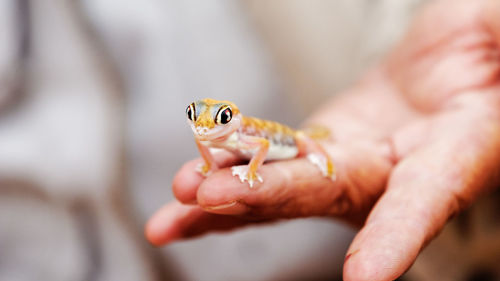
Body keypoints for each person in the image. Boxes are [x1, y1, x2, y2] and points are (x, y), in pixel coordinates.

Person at [146, 0, 500, 280]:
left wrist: (261, 169)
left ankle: (323, 156)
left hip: (314, 184)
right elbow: (204, 142)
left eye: (220, 119)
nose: (206, 129)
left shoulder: (249, 137)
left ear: (235, 118)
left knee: (304, 143)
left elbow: (265, 147)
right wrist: (209, 164)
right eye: (196, 117)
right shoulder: (212, 135)